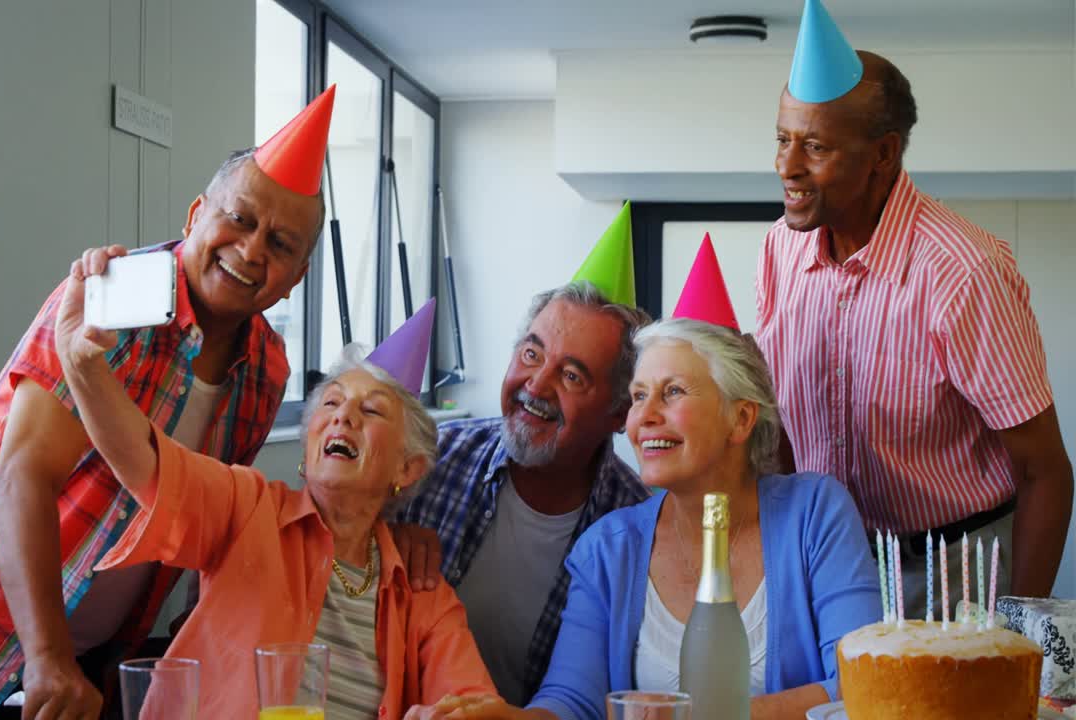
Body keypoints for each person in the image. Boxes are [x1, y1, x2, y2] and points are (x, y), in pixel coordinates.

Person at [0, 88, 337, 719]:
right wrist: (47, 658)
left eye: (281, 244)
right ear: (195, 215)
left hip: (89, 655)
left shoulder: (267, 374)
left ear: (300, 273)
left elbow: (199, 517)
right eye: (241, 219)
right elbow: (22, 476)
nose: (253, 250)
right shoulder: (107, 301)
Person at [432, 252, 881, 720]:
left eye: (673, 392)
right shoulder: (607, 548)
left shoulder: (815, 515)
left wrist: (712, 717)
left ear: (741, 418)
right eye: (639, 396)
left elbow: (863, 680)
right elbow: (572, 702)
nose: (644, 418)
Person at [53, 274, 495, 720]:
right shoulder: (248, 508)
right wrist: (83, 365)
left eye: (372, 409)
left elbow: (475, 703)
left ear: (407, 468)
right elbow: (150, 465)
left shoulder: (422, 593)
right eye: (331, 403)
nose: (343, 416)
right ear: (309, 443)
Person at [757, 0, 1072, 616]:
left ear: (883, 154)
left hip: (958, 569)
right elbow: (782, 435)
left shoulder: (963, 271)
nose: (786, 166)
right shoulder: (779, 249)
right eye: (782, 139)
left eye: (815, 147)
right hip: (827, 562)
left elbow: (1046, 473)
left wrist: (1015, 630)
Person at [394, 203, 652, 706]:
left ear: (620, 412)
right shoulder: (431, 457)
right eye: (531, 354)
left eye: (572, 376)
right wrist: (376, 531)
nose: (536, 384)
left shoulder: (634, 525)